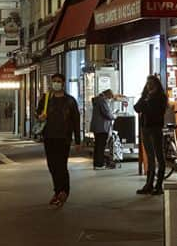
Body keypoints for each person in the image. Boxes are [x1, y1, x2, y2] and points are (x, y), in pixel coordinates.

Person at [35, 73, 81, 207]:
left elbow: (76, 121)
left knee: (61, 165)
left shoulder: (70, 101)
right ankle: (57, 191)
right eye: (54, 81)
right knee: (52, 165)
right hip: (49, 136)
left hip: (64, 138)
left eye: (59, 81)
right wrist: (40, 116)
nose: (56, 83)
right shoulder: (46, 98)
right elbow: (37, 113)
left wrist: (77, 141)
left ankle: (64, 192)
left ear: (63, 83)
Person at [133, 75, 167, 196]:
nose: (149, 86)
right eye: (148, 84)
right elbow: (136, 108)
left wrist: (148, 102)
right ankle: (149, 184)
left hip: (155, 129)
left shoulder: (161, 97)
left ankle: (159, 186)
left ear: (157, 85)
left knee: (159, 157)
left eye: (151, 84)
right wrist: (145, 98)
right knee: (150, 157)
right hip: (145, 129)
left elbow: (157, 112)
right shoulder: (146, 97)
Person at [90, 89, 116, 169]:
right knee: (101, 146)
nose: (110, 100)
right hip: (102, 127)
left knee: (97, 146)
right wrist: (114, 116)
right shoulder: (102, 101)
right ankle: (99, 164)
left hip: (97, 126)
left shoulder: (97, 100)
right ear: (108, 95)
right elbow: (107, 113)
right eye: (110, 98)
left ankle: (96, 163)